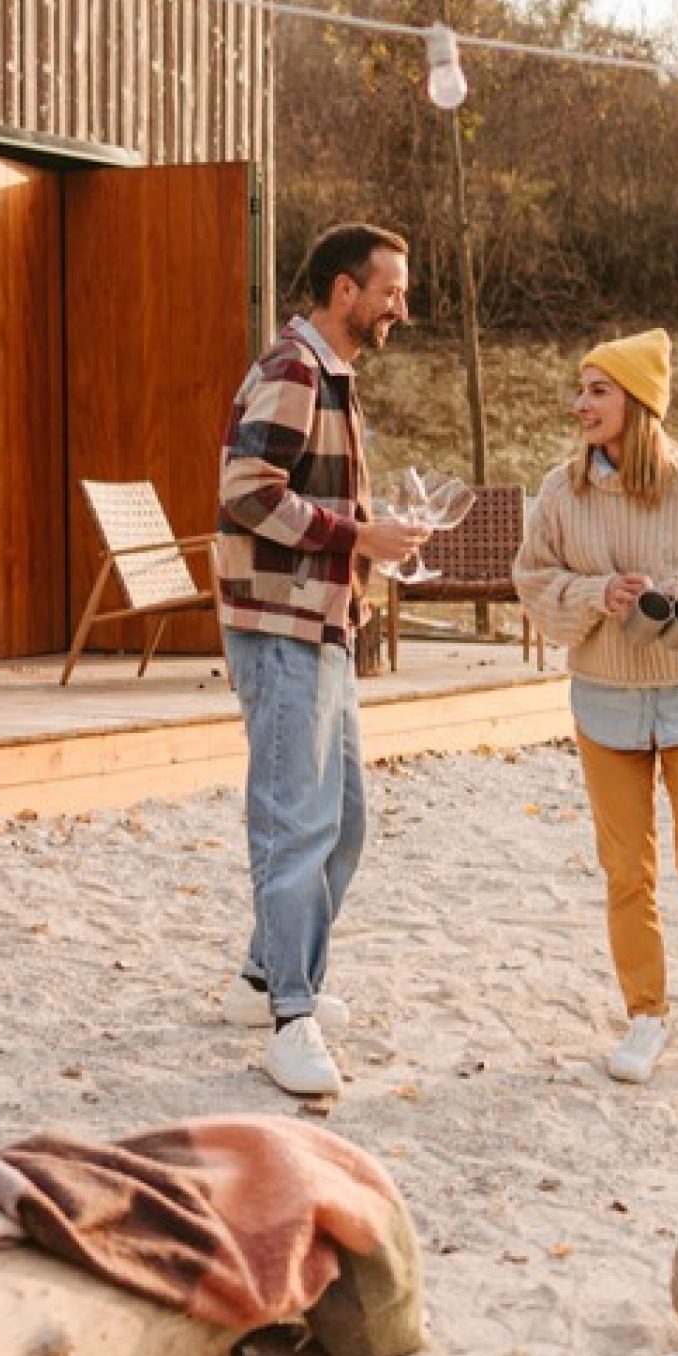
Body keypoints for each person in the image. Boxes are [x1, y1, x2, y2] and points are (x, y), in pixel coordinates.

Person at [512, 329, 678, 1084]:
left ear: (638, 403)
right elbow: (533, 583)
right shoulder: (561, 492)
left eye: (598, 390)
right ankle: (647, 1016)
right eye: (580, 388)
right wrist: (597, 594)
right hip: (607, 703)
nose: (580, 404)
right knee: (627, 870)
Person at [215, 222, 432, 1099]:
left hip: (324, 625)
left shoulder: (328, 375)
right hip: (282, 629)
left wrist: (377, 546)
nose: (400, 308)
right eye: (391, 291)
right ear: (345, 291)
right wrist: (359, 534)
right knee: (295, 825)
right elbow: (245, 493)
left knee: (342, 824)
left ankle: (263, 978)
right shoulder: (292, 370)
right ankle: (290, 1020)